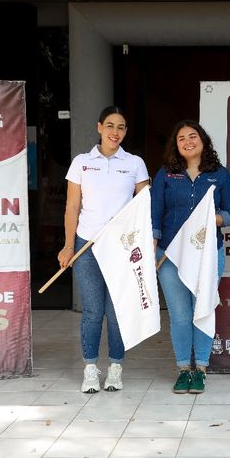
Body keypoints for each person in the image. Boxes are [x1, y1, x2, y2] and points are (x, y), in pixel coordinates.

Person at [58, 106, 150, 393]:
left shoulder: (135, 163)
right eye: (110, 125)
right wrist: (67, 245)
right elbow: (72, 206)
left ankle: (115, 368)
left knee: (117, 310)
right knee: (93, 311)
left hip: (121, 249)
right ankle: (89, 369)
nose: (115, 132)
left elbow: (143, 206)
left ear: (126, 132)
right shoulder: (82, 163)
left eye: (121, 127)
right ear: (99, 127)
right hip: (87, 245)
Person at [151, 120, 230, 394]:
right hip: (169, 255)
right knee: (179, 315)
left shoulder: (220, 175)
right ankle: (183, 369)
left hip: (207, 256)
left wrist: (212, 219)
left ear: (203, 140)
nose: (188, 141)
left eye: (193, 136)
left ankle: (200, 369)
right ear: (175, 145)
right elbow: (154, 213)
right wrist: (153, 248)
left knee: (202, 311)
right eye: (181, 138)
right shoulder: (166, 174)